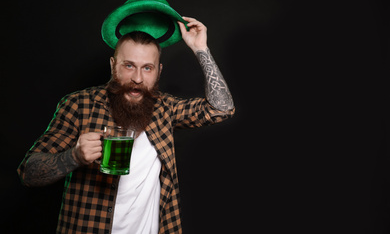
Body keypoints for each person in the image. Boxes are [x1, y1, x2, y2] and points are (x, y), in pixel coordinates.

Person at [17, 15, 234, 233]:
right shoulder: (78, 105)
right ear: (113, 65)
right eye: (129, 65)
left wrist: (201, 49)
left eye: (147, 68)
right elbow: (28, 173)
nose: (138, 78)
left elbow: (221, 109)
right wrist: (73, 157)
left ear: (159, 70)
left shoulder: (164, 107)